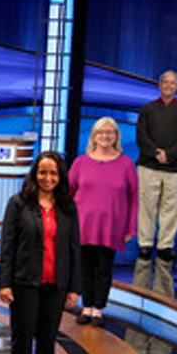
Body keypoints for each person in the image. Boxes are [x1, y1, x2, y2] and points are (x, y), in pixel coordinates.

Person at [0, 151, 80, 354]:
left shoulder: (68, 207)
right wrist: (4, 283)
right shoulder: (18, 203)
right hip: (24, 283)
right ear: (35, 174)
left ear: (60, 176)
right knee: (22, 341)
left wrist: (74, 287)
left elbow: (74, 249)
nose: (48, 178)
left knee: (46, 342)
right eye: (43, 172)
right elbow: (7, 246)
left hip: (55, 285)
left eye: (53, 173)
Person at [68, 117, 137, 325]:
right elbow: (68, 193)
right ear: (94, 136)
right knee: (85, 268)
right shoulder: (80, 162)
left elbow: (134, 197)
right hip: (83, 225)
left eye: (110, 132)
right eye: (101, 132)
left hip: (112, 226)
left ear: (116, 136)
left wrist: (131, 226)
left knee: (103, 268)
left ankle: (98, 308)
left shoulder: (126, 164)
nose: (105, 136)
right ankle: (86, 307)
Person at [135, 70, 177, 263]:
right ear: (159, 85)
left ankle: (165, 245)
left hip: (176, 169)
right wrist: (156, 153)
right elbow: (141, 136)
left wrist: (169, 155)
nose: (168, 86)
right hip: (148, 167)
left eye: (173, 83)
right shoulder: (147, 109)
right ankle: (145, 244)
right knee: (146, 207)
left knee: (172, 209)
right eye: (165, 82)